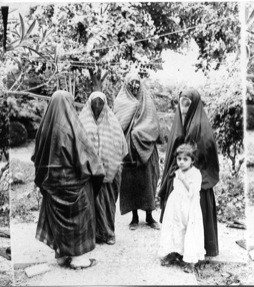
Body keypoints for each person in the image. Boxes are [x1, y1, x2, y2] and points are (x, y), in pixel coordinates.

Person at [33, 90, 105, 269]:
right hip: (74, 185)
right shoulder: (73, 127)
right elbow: (89, 157)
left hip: (52, 184)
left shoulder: (44, 128)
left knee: (57, 216)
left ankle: (61, 254)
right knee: (81, 214)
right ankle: (78, 259)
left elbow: (37, 158)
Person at [158, 89, 220, 257]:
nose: (183, 108)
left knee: (193, 218)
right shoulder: (180, 121)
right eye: (181, 102)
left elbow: (205, 152)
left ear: (194, 106)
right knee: (178, 218)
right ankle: (177, 250)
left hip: (194, 179)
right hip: (179, 176)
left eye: (187, 104)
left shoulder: (200, 126)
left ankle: (194, 252)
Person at [79, 92, 128, 245]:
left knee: (107, 204)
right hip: (90, 173)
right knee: (91, 204)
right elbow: (78, 145)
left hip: (109, 171)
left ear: (105, 104)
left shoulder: (112, 122)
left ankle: (108, 233)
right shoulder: (82, 121)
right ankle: (93, 234)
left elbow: (121, 146)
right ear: (89, 104)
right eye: (95, 103)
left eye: (101, 103)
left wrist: (111, 163)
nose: (98, 107)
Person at [114, 73, 161, 230]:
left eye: (137, 83)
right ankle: (134, 217)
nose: (135, 86)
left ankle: (149, 216)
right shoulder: (120, 102)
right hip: (129, 150)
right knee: (131, 183)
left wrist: (137, 133)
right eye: (131, 83)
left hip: (145, 148)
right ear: (126, 84)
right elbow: (118, 124)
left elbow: (153, 123)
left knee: (148, 181)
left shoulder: (146, 101)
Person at [158, 143, 205, 273]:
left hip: (190, 206)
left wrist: (183, 179)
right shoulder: (177, 172)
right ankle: (174, 252)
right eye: (179, 159)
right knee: (175, 228)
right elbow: (176, 189)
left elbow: (193, 191)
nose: (182, 162)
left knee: (190, 230)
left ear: (192, 160)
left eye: (185, 159)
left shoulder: (196, 174)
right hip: (177, 206)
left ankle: (190, 260)